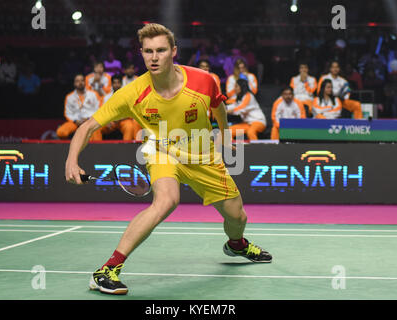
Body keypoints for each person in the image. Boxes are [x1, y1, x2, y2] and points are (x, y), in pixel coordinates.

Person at [64, 23, 272, 295]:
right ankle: (108, 270)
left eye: (160, 50)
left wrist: (224, 135)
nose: (154, 57)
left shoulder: (203, 80)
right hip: (162, 150)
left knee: (237, 216)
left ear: (173, 51)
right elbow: (88, 126)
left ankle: (236, 244)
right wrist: (71, 159)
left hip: (202, 154)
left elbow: (219, 107)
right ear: (141, 53)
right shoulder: (132, 93)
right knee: (166, 200)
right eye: (148, 51)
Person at [57, 74, 103, 141]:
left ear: (85, 82)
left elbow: (98, 109)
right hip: (75, 122)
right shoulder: (69, 97)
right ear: (74, 83)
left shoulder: (93, 94)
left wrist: (88, 119)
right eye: (77, 81)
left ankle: (98, 150)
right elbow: (67, 113)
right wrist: (76, 121)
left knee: (95, 131)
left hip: (90, 120)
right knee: (61, 132)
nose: (80, 83)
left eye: (82, 80)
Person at [101, 74, 141, 140]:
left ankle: (126, 148)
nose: (116, 85)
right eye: (114, 83)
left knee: (129, 126)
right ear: (111, 84)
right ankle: (96, 149)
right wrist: (106, 121)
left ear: (121, 84)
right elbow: (103, 113)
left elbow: (130, 113)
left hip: (123, 120)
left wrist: (119, 119)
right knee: (96, 127)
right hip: (111, 121)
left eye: (118, 83)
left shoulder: (127, 97)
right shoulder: (106, 97)